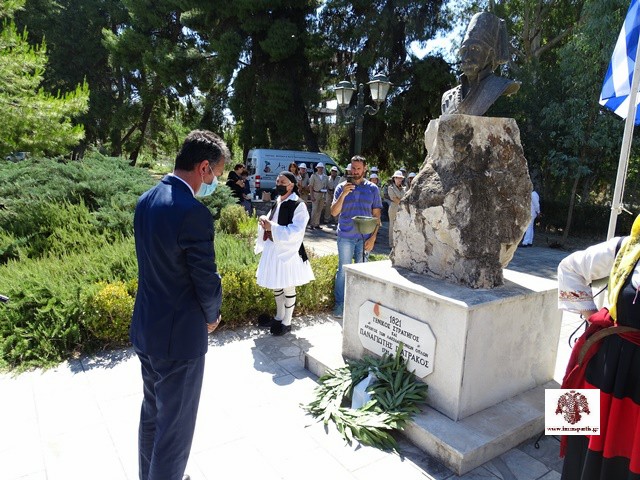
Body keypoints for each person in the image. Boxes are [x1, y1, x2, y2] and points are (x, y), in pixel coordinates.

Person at [130, 130, 229, 480]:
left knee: (153, 415)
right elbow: (206, 279)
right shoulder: (192, 212)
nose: (215, 182)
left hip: (147, 328)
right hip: (179, 341)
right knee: (174, 431)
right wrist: (213, 315)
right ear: (203, 167)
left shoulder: (146, 200)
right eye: (216, 174)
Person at [557, 215, 640, 480]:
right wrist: (592, 316)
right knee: (582, 448)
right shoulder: (626, 247)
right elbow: (569, 268)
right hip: (606, 365)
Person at [255, 172, 315, 335]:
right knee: (277, 283)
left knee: (288, 285)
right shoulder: (279, 200)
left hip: (289, 251)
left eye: (283, 182)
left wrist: (272, 227)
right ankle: (279, 316)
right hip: (274, 249)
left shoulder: (298, 205)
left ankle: (287, 322)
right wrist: (264, 221)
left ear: (291, 185)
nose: (279, 184)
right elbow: (272, 220)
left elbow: (297, 231)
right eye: (277, 181)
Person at [331, 155, 383, 317]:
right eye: (353, 168)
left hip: (365, 238)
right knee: (343, 270)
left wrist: (373, 238)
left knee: (362, 271)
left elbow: (377, 216)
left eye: (358, 168)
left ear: (365, 169)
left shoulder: (373, 189)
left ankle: (360, 304)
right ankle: (340, 304)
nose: (355, 171)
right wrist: (343, 195)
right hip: (346, 235)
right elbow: (334, 212)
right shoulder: (341, 187)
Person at [441, 12, 520, 116]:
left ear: (490, 54)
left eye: (475, 49)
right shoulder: (447, 98)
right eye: (464, 51)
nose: (467, 57)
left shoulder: (499, 86)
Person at [387, 170, 406, 245]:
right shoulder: (390, 188)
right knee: (392, 225)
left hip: (402, 209)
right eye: (397, 178)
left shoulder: (404, 188)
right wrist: (404, 203)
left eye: (400, 178)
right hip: (394, 208)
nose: (399, 180)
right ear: (394, 178)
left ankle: (399, 243)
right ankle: (391, 243)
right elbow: (394, 199)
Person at [308, 162, 328, 229]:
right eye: (319, 167)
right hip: (315, 193)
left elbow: (326, 186)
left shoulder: (325, 177)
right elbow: (311, 186)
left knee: (319, 210)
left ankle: (317, 224)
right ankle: (312, 224)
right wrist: (311, 196)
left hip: (322, 194)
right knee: (314, 209)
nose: (320, 169)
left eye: (321, 168)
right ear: (317, 168)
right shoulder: (313, 176)